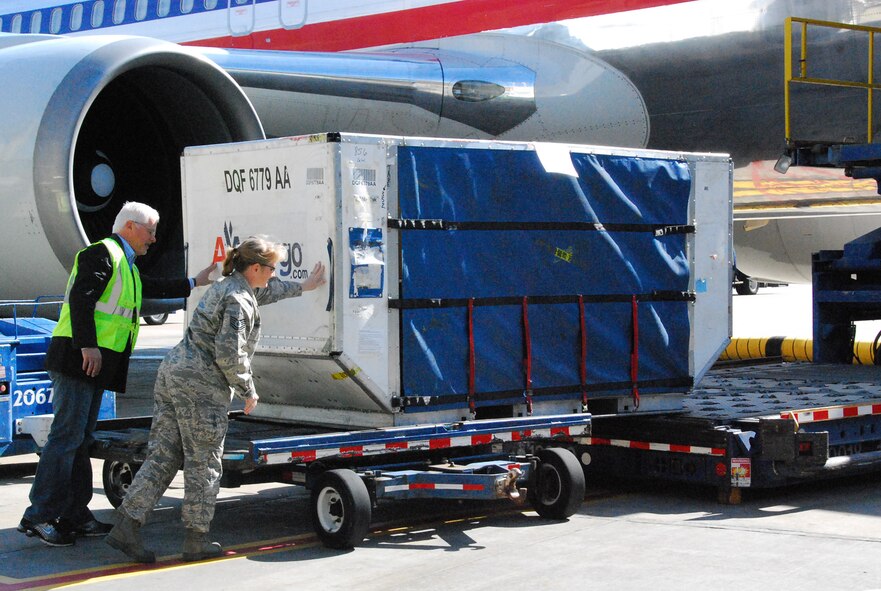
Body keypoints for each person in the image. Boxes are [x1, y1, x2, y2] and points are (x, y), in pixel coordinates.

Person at [106, 236, 326, 563]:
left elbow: (265, 292)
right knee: (204, 461)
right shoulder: (238, 299)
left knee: (163, 456)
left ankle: (127, 524)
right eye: (271, 268)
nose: (273, 273)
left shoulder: (229, 287)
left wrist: (302, 287)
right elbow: (229, 353)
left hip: (174, 374)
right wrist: (248, 389)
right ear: (255, 267)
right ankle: (197, 539)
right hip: (201, 386)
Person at [18, 202, 215, 547]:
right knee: (66, 437)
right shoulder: (101, 254)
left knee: (80, 439)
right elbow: (82, 299)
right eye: (150, 231)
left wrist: (193, 282)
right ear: (129, 227)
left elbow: (149, 287)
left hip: (94, 364)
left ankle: (74, 514)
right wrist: (87, 345)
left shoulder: (127, 265)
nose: (153, 239)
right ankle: (38, 515)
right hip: (78, 360)